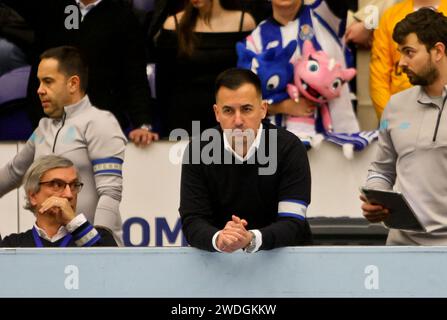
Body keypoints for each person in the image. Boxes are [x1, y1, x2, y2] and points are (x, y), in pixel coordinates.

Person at [0, 46, 126, 245]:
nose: (39, 90)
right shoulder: (43, 127)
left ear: (73, 84)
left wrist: (100, 245)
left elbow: (110, 193)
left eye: (48, 82)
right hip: (52, 244)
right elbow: (14, 172)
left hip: (89, 251)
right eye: (39, 82)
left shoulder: (100, 122)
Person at [179, 68, 312, 253]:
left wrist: (250, 239)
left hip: (285, 263)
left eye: (246, 109)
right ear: (217, 113)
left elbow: (292, 222)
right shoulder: (198, 150)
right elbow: (192, 220)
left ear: (263, 109)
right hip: (220, 265)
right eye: (228, 111)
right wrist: (220, 239)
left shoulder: (289, 148)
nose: (238, 120)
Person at [3, 0, 158, 146]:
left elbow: (135, 78)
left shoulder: (122, 16)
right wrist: (41, 123)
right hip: (52, 129)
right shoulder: (50, 9)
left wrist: (143, 125)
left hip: (103, 130)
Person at [361, 8, 447, 245]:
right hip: (401, 247)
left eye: (409, 52)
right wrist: (376, 197)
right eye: (400, 53)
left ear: (438, 51)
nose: (401, 63)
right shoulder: (395, 106)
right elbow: (381, 169)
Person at [238, 0, 359, 135]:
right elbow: (246, 102)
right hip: (279, 144)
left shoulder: (325, 15)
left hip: (336, 138)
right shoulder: (255, 40)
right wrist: (283, 106)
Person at [154, 0, 256, 136]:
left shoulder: (244, 22)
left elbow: (250, 77)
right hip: (183, 117)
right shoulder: (173, 24)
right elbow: (163, 84)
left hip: (230, 113)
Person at [0, 155, 117, 247]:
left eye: (73, 185)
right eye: (56, 184)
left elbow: (109, 268)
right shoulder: (12, 245)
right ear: (33, 196)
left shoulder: (101, 239)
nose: (69, 194)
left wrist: (74, 222)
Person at [369, 0, 447, 119]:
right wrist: (391, 118)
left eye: (409, 52)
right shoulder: (390, 16)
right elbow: (378, 77)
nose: (402, 62)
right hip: (399, 112)